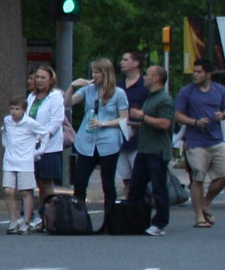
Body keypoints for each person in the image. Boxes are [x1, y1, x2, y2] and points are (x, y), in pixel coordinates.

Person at [71, 58, 127, 222]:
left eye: (97, 72)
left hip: (108, 141)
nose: (93, 75)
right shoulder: (88, 90)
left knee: (107, 183)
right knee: (80, 182)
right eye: (92, 72)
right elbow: (67, 103)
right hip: (87, 141)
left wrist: (104, 123)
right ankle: (79, 220)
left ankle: (110, 221)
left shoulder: (118, 93)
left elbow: (123, 118)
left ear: (105, 73)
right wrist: (72, 87)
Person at [176, 60, 225, 228]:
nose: (195, 75)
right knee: (197, 178)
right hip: (195, 141)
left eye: (199, 72)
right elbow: (178, 115)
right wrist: (195, 122)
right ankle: (199, 216)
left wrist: (222, 115)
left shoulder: (219, 91)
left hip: (216, 140)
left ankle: (206, 201)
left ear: (208, 74)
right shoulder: (187, 92)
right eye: (194, 71)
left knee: (223, 176)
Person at [129, 63, 175, 236]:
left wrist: (142, 116)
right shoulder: (150, 97)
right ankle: (134, 219)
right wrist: (134, 124)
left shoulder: (164, 99)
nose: (144, 77)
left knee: (158, 187)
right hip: (144, 148)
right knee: (136, 186)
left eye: (147, 74)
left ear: (157, 78)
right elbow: (149, 121)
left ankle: (160, 222)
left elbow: (165, 123)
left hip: (157, 150)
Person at [22, 65, 67, 225]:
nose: (39, 81)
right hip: (31, 145)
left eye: (43, 78)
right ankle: (38, 215)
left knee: (45, 182)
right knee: (33, 181)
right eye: (37, 77)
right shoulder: (31, 97)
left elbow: (55, 122)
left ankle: (51, 215)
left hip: (49, 146)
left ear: (50, 80)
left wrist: (41, 137)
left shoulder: (55, 97)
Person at [0, 96, 38, 234]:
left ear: (23, 110)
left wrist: (38, 151)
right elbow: (3, 131)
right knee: (8, 190)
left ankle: (26, 222)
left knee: (25, 191)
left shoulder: (30, 123)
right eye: (12, 109)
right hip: (9, 160)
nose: (14, 112)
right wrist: (5, 144)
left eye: (17, 109)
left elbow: (44, 133)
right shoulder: (7, 121)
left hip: (25, 161)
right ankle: (13, 220)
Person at [115, 49, 148, 194]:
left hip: (139, 137)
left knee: (139, 176)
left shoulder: (145, 85)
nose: (122, 63)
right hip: (120, 136)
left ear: (136, 63)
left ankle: (140, 203)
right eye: (122, 60)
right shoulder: (118, 85)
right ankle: (128, 205)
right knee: (125, 177)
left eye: (126, 60)